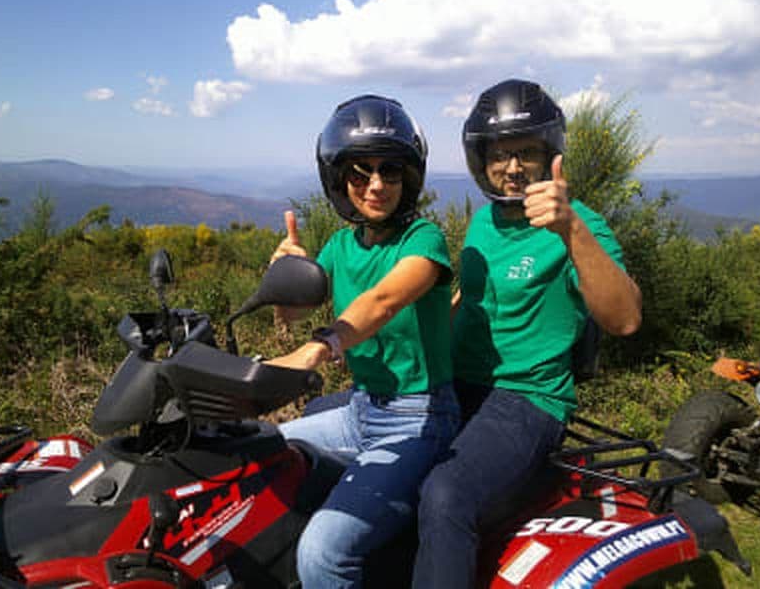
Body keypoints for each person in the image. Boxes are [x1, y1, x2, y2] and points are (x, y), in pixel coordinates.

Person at [411, 79, 642, 588]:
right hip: (461, 385)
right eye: (500, 154)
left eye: (526, 153)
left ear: (549, 156)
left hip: (528, 398)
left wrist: (570, 231)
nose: (512, 167)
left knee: (446, 493)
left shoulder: (580, 223)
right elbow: (469, 301)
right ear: (481, 160)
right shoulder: (485, 222)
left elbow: (625, 319)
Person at [266, 94, 459, 589]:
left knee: (323, 555)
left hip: (420, 418)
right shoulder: (339, 246)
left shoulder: (423, 240)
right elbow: (290, 311)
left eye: (390, 170)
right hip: (359, 412)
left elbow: (383, 301)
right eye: (359, 172)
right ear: (339, 179)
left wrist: (323, 344)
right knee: (251, 456)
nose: (375, 185)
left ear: (408, 177)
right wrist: (284, 272)